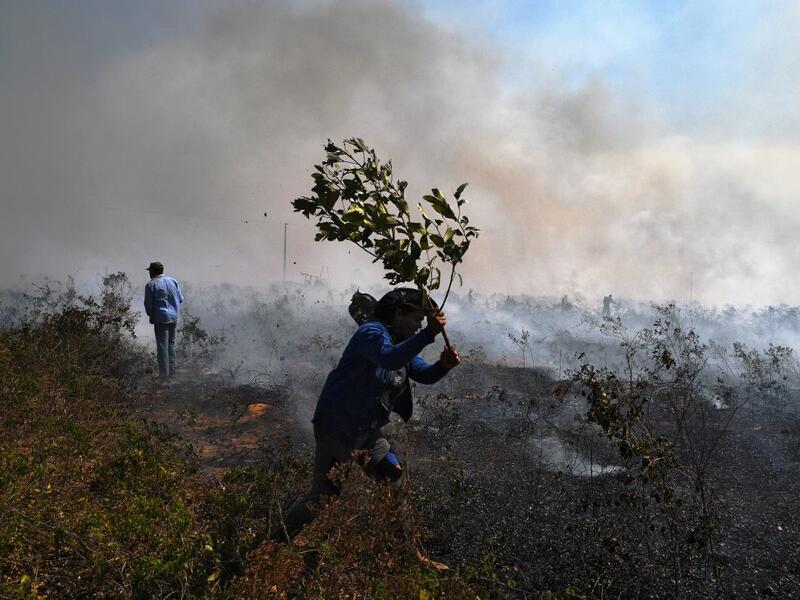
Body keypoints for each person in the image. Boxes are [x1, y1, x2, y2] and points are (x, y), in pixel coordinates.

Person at [281, 287, 461, 539]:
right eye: (416, 320)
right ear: (398, 312)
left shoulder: (400, 345)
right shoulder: (371, 333)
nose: (419, 327)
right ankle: (274, 544)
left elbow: (424, 374)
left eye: (423, 323)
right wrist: (429, 334)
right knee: (325, 495)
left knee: (394, 480)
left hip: (367, 432)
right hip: (339, 427)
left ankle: (409, 554)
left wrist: (443, 365)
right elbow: (387, 358)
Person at [144, 261, 184, 381]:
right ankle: (172, 374)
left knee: (162, 346)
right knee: (170, 345)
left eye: (150, 271)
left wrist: (151, 316)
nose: (149, 273)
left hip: (161, 318)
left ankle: (164, 377)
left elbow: (148, 305)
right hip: (174, 317)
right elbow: (180, 299)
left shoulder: (151, 284)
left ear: (153, 272)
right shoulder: (173, 281)